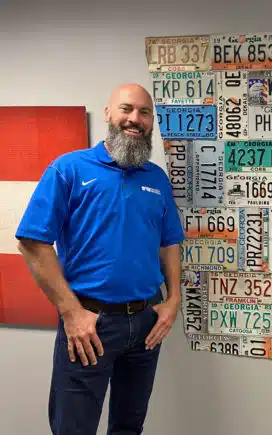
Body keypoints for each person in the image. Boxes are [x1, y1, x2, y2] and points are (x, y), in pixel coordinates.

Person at [15, 84, 185, 435]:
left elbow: (169, 243)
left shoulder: (156, 179)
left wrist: (173, 300)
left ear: (152, 121)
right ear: (108, 113)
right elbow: (33, 243)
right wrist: (72, 313)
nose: (134, 119)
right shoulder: (70, 169)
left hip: (145, 324)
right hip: (89, 325)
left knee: (129, 426)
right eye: (126, 109)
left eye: (144, 112)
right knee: (74, 428)